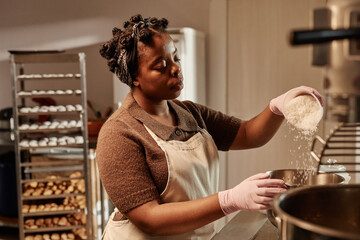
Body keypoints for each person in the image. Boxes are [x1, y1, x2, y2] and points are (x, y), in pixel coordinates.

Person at [96, 14, 323, 240]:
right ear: (135, 77)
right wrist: (229, 200)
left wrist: (276, 108)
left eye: (175, 58)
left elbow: (247, 134)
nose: (175, 69)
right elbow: (149, 218)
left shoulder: (190, 113)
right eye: (161, 66)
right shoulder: (119, 133)